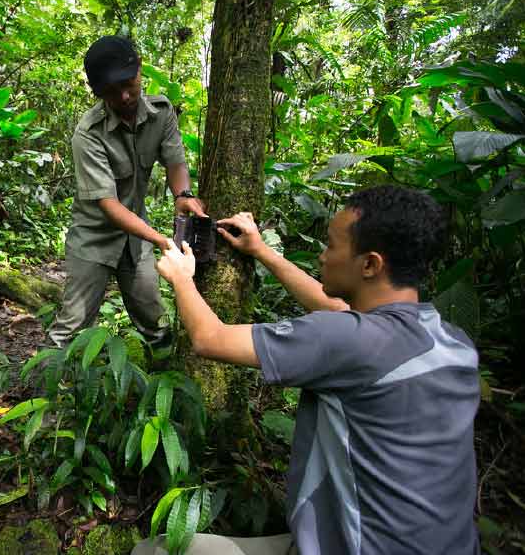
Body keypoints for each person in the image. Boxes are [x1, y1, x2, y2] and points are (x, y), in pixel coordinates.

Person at [136, 185, 480, 555]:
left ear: (370, 264)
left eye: (331, 246)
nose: (321, 256)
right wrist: (262, 251)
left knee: (153, 551)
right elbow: (340, 314)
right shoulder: (453, 345)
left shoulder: (348, 342)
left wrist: (181, 277)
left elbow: (210, 337)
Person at [48, 35, 206, 348]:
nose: (124, 96)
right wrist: (160, 240)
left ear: (140, 71)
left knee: (155, 320)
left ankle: (160, 381)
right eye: (111, 91)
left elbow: (175, 162)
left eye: (128, 84)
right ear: (97, 92)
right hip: (93, 239)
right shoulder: (88, 134)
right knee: (71, 327)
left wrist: (183, 195)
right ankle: (51, 388)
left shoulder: (162, 113)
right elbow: (108, 204)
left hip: (136, 238)